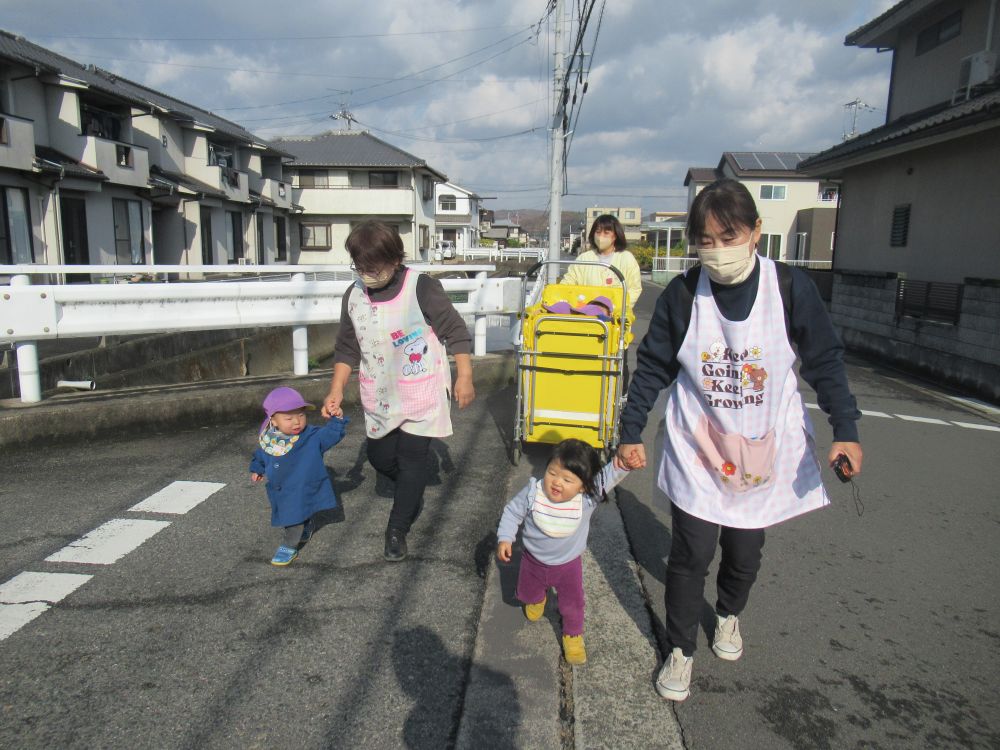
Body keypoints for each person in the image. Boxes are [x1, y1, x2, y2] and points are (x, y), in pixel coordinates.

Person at [614, 178, 864, 702]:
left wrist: (847, 430)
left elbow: (825, 361)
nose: (718, 250)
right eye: (706, 240)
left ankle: (728, 614)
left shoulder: (791, 289)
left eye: (729, 236)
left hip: (762, 447)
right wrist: (629, 430)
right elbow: (653, 366)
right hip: (698, 447)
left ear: (755, 231)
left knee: (745, 551)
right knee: (689, 553)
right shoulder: (683, 296)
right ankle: (680, 648)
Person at [321, 220, 475, 562]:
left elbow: (455, 330)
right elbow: (347, 347)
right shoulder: (354, 295)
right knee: (381, 458)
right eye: (359, 267)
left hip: (421, 389)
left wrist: (464, 375)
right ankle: (411, 487)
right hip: (379, 392)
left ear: (395, 259)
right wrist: (335, 389)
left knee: (411, 458)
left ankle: (397, 529)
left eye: (373, 267)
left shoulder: (421, 287)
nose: (366, 274)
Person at [496, 439, 633, 665]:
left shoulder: (586, 500)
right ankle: (537, 598)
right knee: (527, 595)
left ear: (583, 486)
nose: (557, 482)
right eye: (552, 473)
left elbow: (608, 476)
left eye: (568, 479)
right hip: (532, 562)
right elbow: (512, 513)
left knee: (572, 606)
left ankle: (573, 635)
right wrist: (505, 538)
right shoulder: (534, 492)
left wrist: (624, 463)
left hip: (568, 566)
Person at [250, 386, 349, 566]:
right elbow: (261, 454)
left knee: (292, 517)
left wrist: (337, 419)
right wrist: (257, 468)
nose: (297, 422)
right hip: (284, 487)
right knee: (299, 510)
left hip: (305, 484)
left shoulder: (311, 436)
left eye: (301, 415)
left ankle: (289, 545)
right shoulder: (270, 439)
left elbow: (331, 435)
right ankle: (306, 527)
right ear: (273, 420)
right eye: (289, 418)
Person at [562, 214, 642, 315]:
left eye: (606, 233)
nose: (601, 237)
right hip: (585, 317)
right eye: (598, 232)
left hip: (616, 320)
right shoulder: (584, 258)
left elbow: (634, 289)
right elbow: (567, 283)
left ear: (615, 236)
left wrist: (616, 310)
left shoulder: (627, 258)